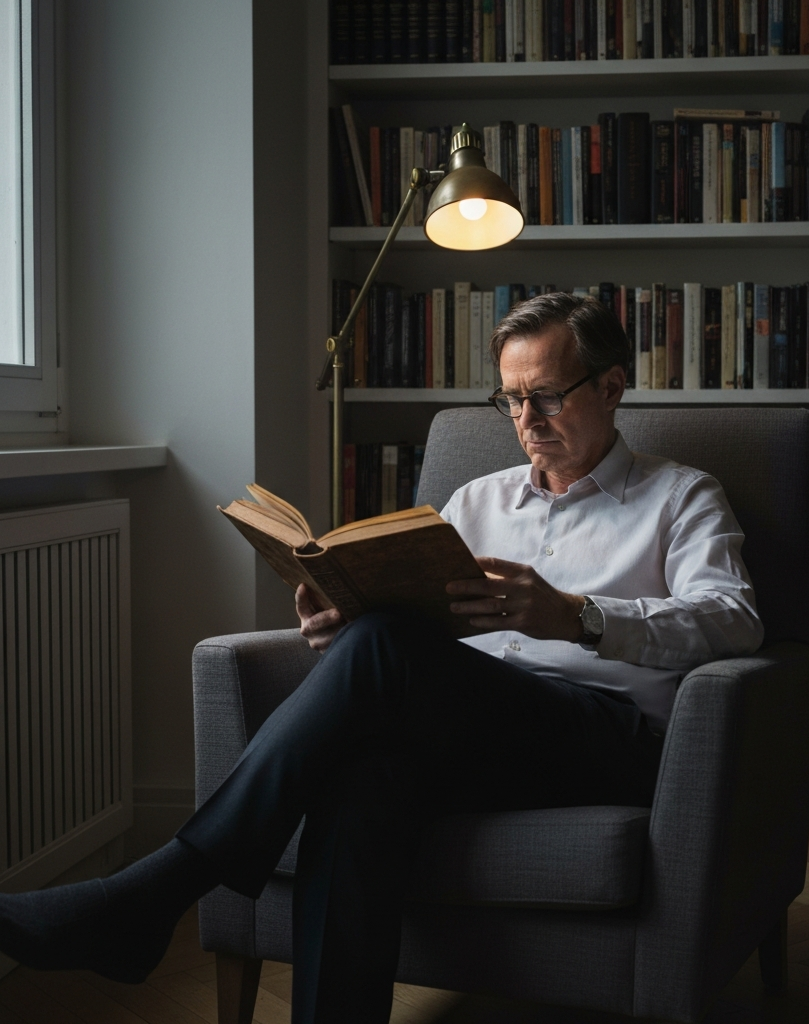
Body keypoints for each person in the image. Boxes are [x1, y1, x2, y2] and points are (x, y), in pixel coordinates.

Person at [0, 293, 763, 1023]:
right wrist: (344, 630)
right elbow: (423, 638)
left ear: (612, 387)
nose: (526, 421)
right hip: (472, 730)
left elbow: (734, 621)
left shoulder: (680, 496)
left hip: (606, 736)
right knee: (363, 775)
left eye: (549, 397)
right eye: (510, 400)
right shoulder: (476, 501)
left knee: (385, 653)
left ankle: (153, 893)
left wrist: (578, 616)